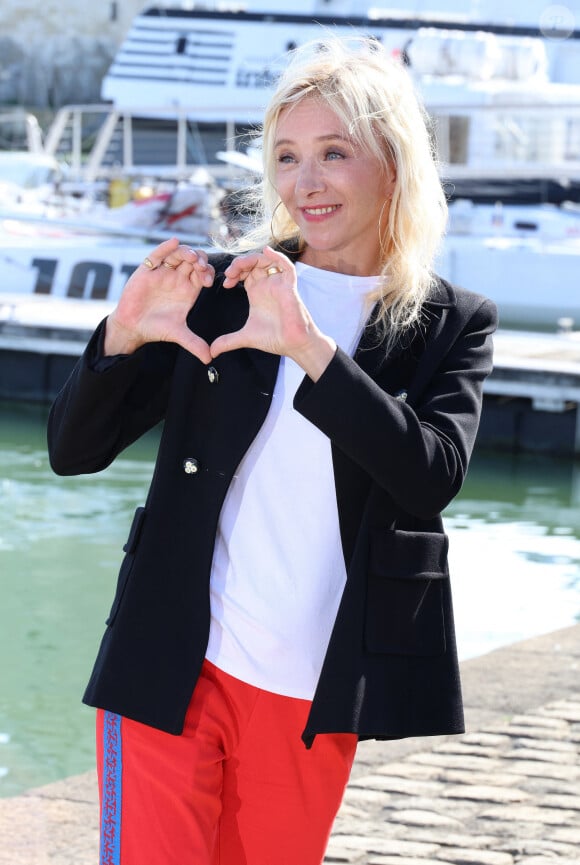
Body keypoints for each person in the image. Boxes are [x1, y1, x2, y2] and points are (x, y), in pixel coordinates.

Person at [47, 36, 497, 865]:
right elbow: (73, 451)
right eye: (287, 156)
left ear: (393, 163)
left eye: (334, 152)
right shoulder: (228, 288)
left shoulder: (452, 322)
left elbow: (429, 476)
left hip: (311, 688)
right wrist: (121, 336)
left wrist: (313, 350)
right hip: (177, 659)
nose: (305, 181)